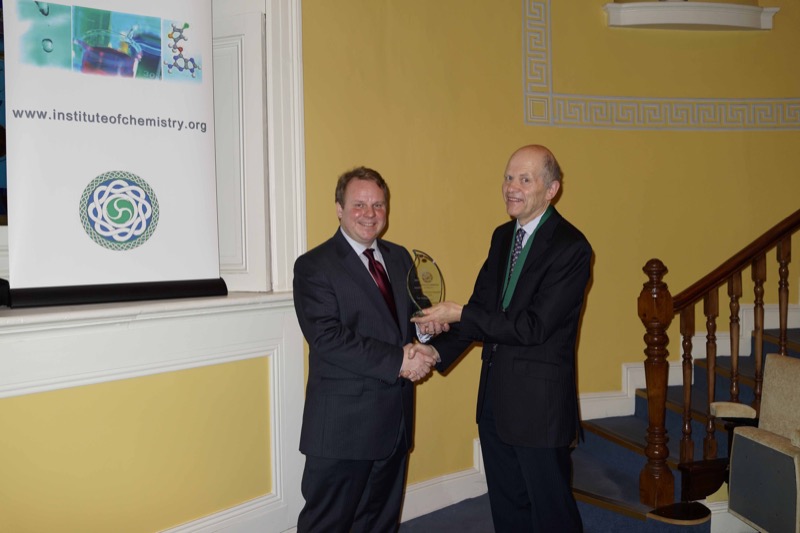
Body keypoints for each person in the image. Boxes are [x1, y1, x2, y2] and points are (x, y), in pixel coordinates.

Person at [412, 144, 592, 532]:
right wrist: (431, 349)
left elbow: (533, 327)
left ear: (551, 189)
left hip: (539, 410)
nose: (512, 187)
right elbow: (482, 310)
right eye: (509, 177)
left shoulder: (572, 248)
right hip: (495, 401)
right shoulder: (501, 237)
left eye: (525, 179)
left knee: (552, 515)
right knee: (509, 512)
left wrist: (459, 313)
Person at [292, 166, 438, 533]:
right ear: (339, 208)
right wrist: (401, 361)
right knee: (328, 525)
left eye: (378, 205)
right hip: (343, 427)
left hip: (394, 423)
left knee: (379, 523)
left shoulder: (401, 257)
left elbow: (416, 316)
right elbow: (327, 338)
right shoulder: (314, 266)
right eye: (359, 204)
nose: (370, 214)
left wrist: (427, 332)